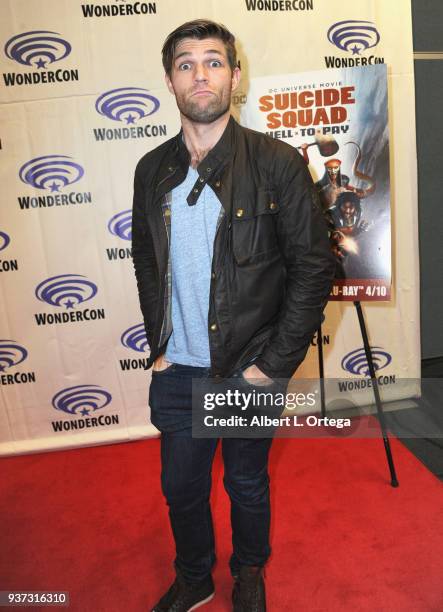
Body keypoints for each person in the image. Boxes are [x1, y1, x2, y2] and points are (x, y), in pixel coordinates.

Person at [131, 19, 335, 612]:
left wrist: (272, 365)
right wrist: (160, 342)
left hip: (248, 366)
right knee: (182, 490)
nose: (201, 73)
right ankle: (195, 577)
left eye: (214, 61)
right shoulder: (152, 169)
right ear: (170, 79)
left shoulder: (276, 163)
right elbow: (146, 259)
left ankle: (249, 571)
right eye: (187, 62)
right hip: (179, 369)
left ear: (235, 75)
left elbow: (312, 268)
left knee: (245, 483)